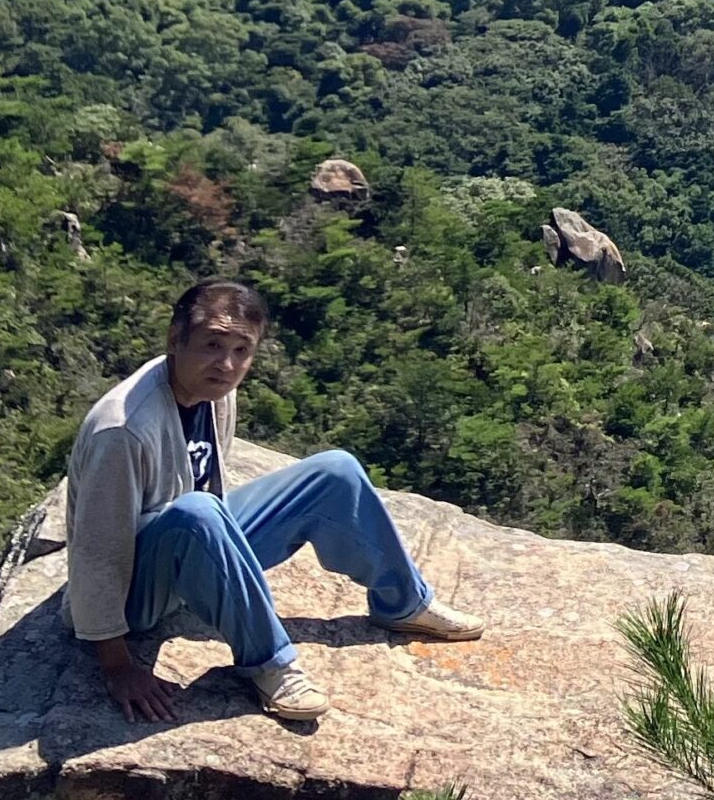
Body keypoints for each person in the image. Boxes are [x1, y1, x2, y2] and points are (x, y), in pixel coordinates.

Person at [65, 279, 484, 723]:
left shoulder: (213, 392)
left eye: (242, 351)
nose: (226, 364)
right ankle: (269, 663)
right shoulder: (123, 429)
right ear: (175, 339)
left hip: (193, 547)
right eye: (211, 344)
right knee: (199, 512)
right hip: (138, 589)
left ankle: (403, 602)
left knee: (334, 472)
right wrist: (117, 665)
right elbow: (98, 553)